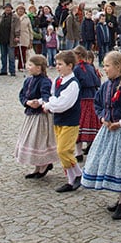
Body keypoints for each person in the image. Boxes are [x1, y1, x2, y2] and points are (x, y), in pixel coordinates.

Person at [81, 50, 121, 219]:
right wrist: (102, 117)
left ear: (119, 67)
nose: (105, 68)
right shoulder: (106, 85)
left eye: (107, 65)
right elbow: (98, 103)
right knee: (109, 163)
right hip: (109, 130)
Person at [40, 50, 82, 193]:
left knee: (63, 150)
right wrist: (47, 102)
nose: (57, 67)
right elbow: (53, 97)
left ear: (70, 66)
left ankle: (78, 173)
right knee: (62, 151)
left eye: (60, 64)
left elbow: (63, 103)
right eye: (57, 64)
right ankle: (71, 179)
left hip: (70, 122)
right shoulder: (58, 81)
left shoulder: (73, 83)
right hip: (59, 121)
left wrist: (49, 106)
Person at [14, 54, 57, 178]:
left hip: (41, 116)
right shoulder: (28, 80)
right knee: (32, 140)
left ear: (39, 68)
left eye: (30, 65)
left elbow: (46, 97)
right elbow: (22, 95)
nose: (28, 67)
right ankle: (37, 166)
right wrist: (27, 102)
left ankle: (44, 165)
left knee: (40, 140)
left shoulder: (45, 81)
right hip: (30, 115)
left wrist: (38, 102)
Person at [73, 45, 102, 160]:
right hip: (93, 99)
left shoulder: (77, 69)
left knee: (79, 126)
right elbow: (98, 82)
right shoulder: (91, 67)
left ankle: (78, 152)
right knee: (92, 125)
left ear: (79, 55)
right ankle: (91, 149)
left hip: (82, 100)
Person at [0, 3, 21, 76]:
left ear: (11, 9)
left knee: (11, 56)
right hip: (2, 39)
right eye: (6, 8)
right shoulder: (0, 17)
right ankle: (3, 70)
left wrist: (17, 36)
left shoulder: (15, 17)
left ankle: (12, 71)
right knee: (3, 56)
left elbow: (17, 27)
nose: (7, 9)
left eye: (9, 8)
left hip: (11, 39)